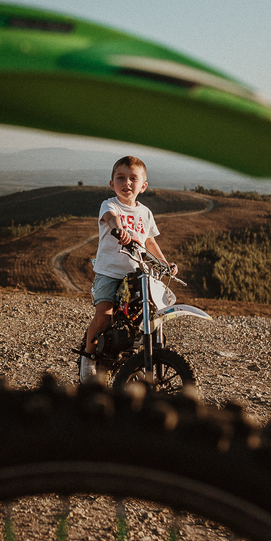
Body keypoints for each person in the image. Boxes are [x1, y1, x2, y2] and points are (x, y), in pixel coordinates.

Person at [78, 156, 178, 383]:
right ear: (112, 184)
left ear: (143, 186)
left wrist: (163, 263)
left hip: (137, 276)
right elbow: (112, 219)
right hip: (109, 273)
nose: (127, 183)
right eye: (120, 178)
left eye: (133, 178)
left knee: (143, 319)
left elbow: (149, 241)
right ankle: (89, 357)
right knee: (104, 315)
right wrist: (119, 230)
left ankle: (139, 359)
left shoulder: (146, 213)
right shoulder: (110, 205)